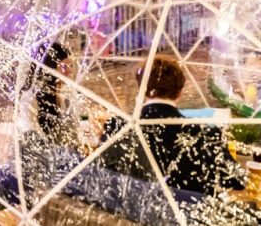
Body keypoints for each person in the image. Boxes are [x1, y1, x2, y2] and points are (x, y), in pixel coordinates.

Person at [100, 56, 245, 195]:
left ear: (142, 89)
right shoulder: (206, 136)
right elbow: (237, 181)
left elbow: (105, 174)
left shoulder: (116, 127)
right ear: (180, 92)